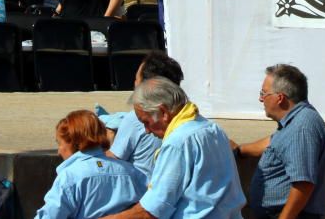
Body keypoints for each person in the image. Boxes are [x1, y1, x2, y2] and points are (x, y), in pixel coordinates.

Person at [102, 78, 244, 219]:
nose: (146, 130)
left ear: (163, 112)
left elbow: (152, 211)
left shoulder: (177, 143)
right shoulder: (213, 128)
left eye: (146, 122)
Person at [232, 65, 325, 219]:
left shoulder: (301, 128)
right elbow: (275, 142)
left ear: (280, 98)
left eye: (264, 93)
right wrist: (240, 150)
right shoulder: (295, 121)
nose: (260, 99)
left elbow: (303, 184)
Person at [36, 110, 146, 219]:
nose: (58, 151)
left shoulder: (69, 177)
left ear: (73, 142)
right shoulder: (132, 172)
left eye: (59, 143)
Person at [107, 52, 184, 180]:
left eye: (137, 79)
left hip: (142, 192)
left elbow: (112, 160)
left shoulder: (134, 119)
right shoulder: (189, 117)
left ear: (148, 86)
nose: (147, 130)